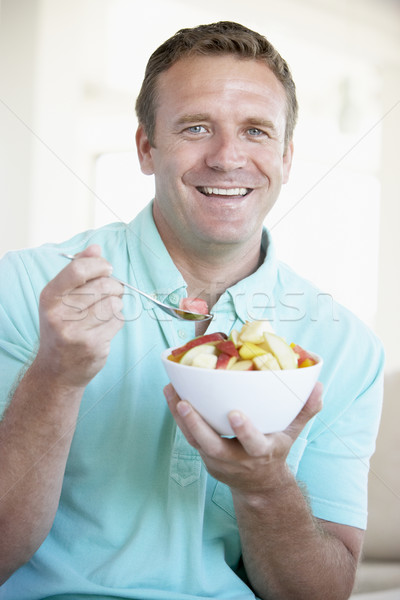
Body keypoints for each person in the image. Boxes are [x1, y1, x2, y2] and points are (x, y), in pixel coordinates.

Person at [0, 21, 384, 600]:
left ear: (286, 156)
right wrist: (55, 377)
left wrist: (263, 487)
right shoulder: (24, 289)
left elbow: (320, 594)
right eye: (196, 127)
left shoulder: (348, 347)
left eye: (256, 131)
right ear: (145, 148)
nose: (228, 158)